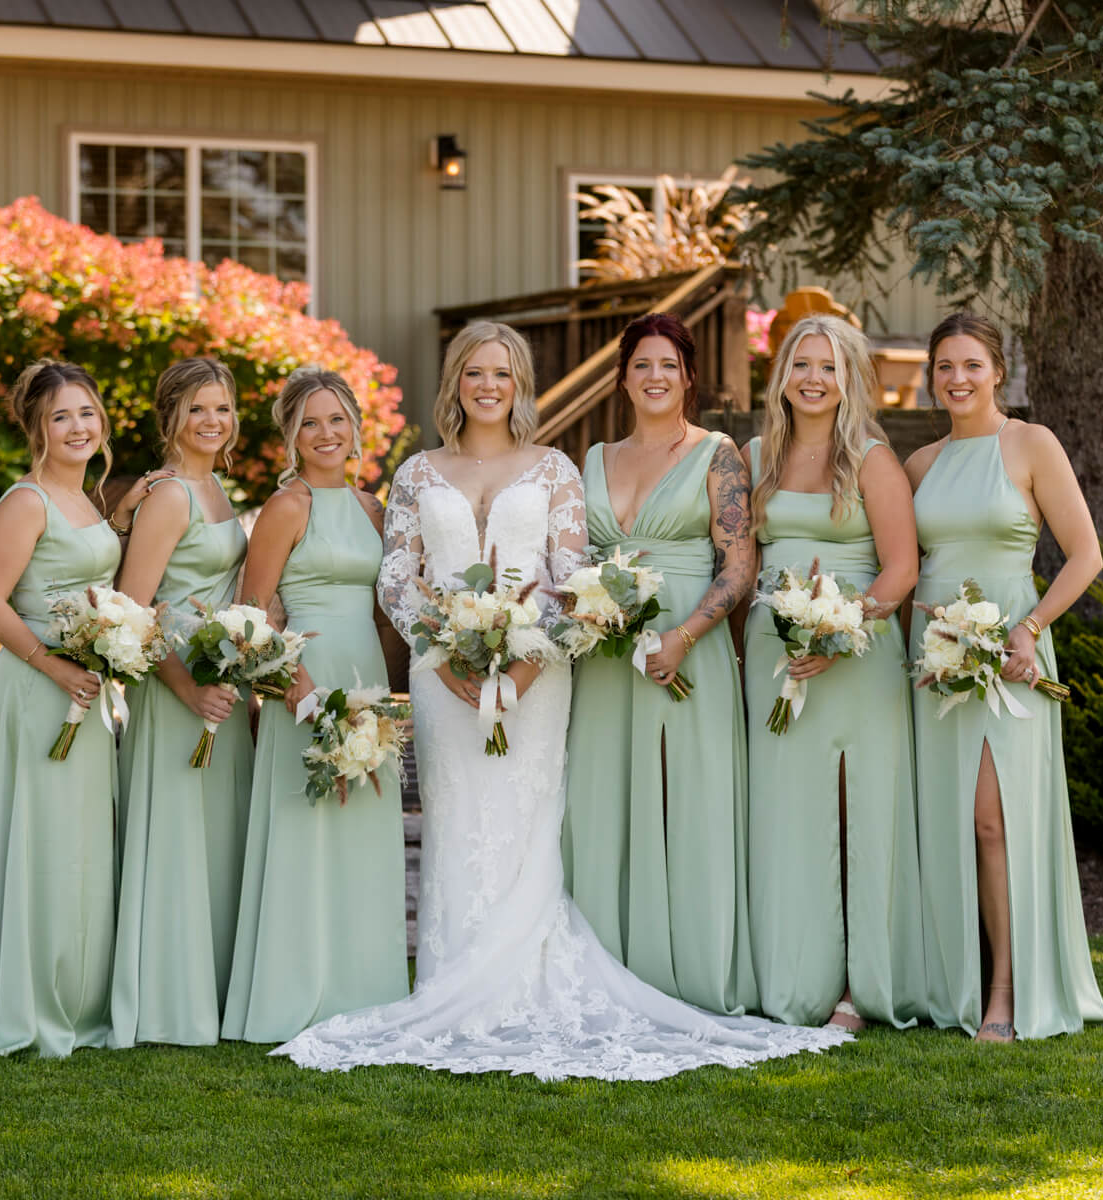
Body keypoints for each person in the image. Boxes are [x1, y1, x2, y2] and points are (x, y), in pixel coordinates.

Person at [274, 321, 850, 1080]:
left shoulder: (554, 470)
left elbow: (569, 576)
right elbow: (395, 578)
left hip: (536, 678)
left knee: (526, 823)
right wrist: (446, 660)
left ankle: (529, 979)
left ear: (519, 386)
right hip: (442, 676)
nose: (488, 386)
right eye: (474, 373)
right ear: (456, 384)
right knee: (458, 823)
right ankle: (454, 981)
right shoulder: (415, 473)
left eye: (502, 374)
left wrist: (520, 671)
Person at [0, 359, 158, 1058]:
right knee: (38, 841)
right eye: (61, 417)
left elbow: (84, 567)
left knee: (78, 847)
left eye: (86, 413)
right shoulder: (24, 501)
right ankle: (21, 1000)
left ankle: (74, 998)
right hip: (37, 690)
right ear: (36, 428)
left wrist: (129, 514)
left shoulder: (88, 500)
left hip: (85, 687)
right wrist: (52, 666)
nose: (78, 427)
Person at [903, 312, 1103, 1041]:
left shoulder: (1029, 444)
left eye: (971, 365)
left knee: (996, 822)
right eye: (944, 368)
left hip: (1012, 660)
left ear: (997, 370)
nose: (957, 379)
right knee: (946, 824)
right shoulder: (920, 466)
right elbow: (904, 563)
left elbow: (1085, 555)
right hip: (933, 662)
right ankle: (947, 977)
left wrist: (1029, 628)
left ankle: (1006, 990)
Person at [561, 312, 759, 1016]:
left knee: (688, 799)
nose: (654, 377)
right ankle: (605, 969)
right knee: (604, 799)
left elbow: (740, 566)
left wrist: (686, 635)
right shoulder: (592, 459)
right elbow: (572, 561)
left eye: (668, 365)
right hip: (607, 660)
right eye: (642, 364)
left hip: (689, 654)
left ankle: (692, 972)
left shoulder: (718, 454)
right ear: (622, 378)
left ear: (688, 377)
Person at [740, 315, 925, 1031]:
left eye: (827, 366)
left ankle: (856, 988)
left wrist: (842, 627)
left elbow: (902, 567)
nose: (812, 379)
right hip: (774, 653)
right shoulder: (756, 457)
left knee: (855, 814)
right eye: (800, 364)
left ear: (850, 379)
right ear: (782, 375)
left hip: (856, 654)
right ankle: (793, 977)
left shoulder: (872, 459)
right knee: (788, 816)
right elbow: (744, 561)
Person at [222, 367, 408, 1043]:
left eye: (336, 419)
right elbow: (253, 613)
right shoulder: (288, 506)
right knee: (306, 829)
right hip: (304, 683)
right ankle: (293, 994)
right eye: (310, 423)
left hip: (364, 680)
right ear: (290, 436)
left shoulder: (372, 509)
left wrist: (382, 700)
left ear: (356, 427)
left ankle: (366, 991)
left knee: (361, 832)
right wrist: (302, 695)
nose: (325, 433)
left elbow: (389, 611)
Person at [108, 358, 251, 1048]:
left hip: (222, 683)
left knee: (214, 840)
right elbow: (134, 611)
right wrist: (189, 688)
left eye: (222, 408)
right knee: (176, 840)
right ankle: (168, 1001)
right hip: (178, 693)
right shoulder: (169, 496)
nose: (213, 421)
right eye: (199, 408)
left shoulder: (216, 486)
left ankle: (214, 989)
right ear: (171, 415)